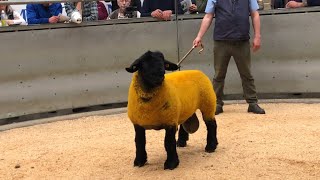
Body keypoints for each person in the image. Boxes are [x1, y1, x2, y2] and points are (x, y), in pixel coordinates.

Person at [193, 0, 266, 114]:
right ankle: (216, 103)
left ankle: (252, 103)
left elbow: (255, 14)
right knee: (219, 75)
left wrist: (257, 36)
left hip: (242, 40)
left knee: (246, 73)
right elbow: (208, 16)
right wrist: (199, 36)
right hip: (221, 41)